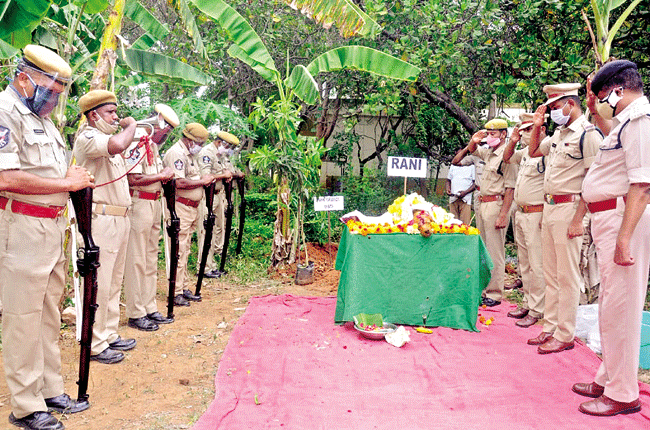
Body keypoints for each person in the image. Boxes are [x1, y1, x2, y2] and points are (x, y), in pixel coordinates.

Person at [0, 45, 93, 430]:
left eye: (58, 93)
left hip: (53, 226)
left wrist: (73, 181)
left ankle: (49, 387)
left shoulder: (44, 119)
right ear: (24, 78)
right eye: (49, 91)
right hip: (21, 226)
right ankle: (25, 405)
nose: (54, 100)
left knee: (48, 312)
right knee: (22, 316)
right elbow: (5, 178)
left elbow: (57, 172)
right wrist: (64, 182)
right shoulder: (6, 112)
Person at [573, 60, 650, 416]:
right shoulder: (625, 122)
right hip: (610, 218)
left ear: (618, 90)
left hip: (624, 220)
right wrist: (593, 108)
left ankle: (623, 393)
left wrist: (624, 239)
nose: (602, 102)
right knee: (611, 304)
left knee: (622, 309)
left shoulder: (640, 122)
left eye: (603, 95)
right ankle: (608, 378)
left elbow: (642, 184)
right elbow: (612, 140)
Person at [526, 83, 603, 354]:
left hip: (570, 210)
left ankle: (565, 333)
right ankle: (550, 327)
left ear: (571, 103)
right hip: (550, 209)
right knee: (551, 273)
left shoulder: (588, 134)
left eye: (556, 107)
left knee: (567, 276)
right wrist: (537, 125)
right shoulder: (559, 133)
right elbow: (534, 152)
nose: (553, 112)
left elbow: (592, 181)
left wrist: (577, 220)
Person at [73, 90, 138, 364]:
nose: (116, 116)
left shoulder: (105, 138)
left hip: (119, 218)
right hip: (100, 218)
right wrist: (132, 126)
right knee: (99, 283)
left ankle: (109, 334)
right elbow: (117, 145)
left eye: (116, 111)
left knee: (114, 280)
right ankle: (96, 342)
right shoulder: (88, 137)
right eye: (110, 112)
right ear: (93, 115)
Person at [123, 104, 178, 331]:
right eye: (164, 130)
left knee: (150, 259)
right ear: (157, 122)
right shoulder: (137, 138)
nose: (165, 135)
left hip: (154, 203)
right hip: (139, 202)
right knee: (136, 259)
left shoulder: (152, 145)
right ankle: (136, 312)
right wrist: (161, 175)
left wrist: (161, 178)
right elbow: (132, 179)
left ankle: (149, 306)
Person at [453, 118, 516, 307]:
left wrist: (503, 214)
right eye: (487, 133)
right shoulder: (488, 153)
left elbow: (510, 189)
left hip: (496, 204)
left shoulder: (507, 156)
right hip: (482, 204)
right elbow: (458, 160)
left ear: (504, 134)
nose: (489, 137)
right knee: (483, 249)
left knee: (495, 250)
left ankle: (495, 293)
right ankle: (484, 289)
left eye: (493, 134)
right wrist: (472, 141)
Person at [162, 123, 216, 305]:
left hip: (191, 208)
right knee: (178, 250)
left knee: (185, 249)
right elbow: (178, 183)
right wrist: (202, 181)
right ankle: (175, 290)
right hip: (180, 207)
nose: (201, 146)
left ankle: (182, 287)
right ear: (189, 139)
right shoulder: (176, 153)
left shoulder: (190, 155)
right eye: (199, 142)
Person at [503, 113, 546, 328]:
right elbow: (507, 157)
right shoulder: (526, 154)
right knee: (525, 264)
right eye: (523, 131)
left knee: (537, 264)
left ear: (541, 129)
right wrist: (512, 140)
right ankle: (528, 303)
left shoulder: (546, 152)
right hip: (520, 213)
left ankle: (538, 309)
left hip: (536, 213)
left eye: (528, 130)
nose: (525, 135)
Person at [196, 131, 241, 278]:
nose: (229, 151)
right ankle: (203, 267)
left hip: (217, 195)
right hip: (206, 197)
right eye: (229, 147)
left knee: (214, 232)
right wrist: (224, 175)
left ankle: (211, 265)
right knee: (205, 232)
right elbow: (205, 177)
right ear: (221, 143)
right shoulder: (207, 153)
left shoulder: (220, 155)